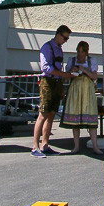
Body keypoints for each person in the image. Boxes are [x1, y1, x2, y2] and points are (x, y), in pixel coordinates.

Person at [31, 24, 72, 157]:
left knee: (52, 114)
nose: (65, 41)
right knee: (43, 113)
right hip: (48, 82)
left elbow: (60, 67)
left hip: (57, 83)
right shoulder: (47, 47)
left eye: (67, 39)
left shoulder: (59, 49)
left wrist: (61, 84)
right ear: (58, 35)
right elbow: (45, 67)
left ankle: (45, 145)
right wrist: (62, 75)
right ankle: (34, 147)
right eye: (65, 38)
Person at [60, 40, 102, 154]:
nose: (79, 54)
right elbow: (66, 78)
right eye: (78, 51)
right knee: (75, 120)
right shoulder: (72, 61)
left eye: (82, 52)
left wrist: (84, 70)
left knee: (91, 118)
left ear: (86, 52)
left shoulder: (91, 61)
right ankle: (76, 146)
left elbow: (94, 76)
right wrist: (71, 71)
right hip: (75, 90)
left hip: (87, 91)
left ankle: (95, 146)